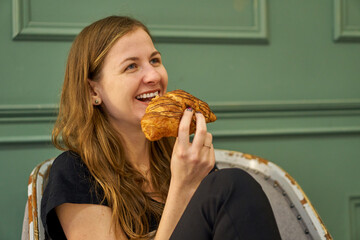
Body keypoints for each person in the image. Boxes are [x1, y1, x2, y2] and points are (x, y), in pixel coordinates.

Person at [41, 16, 281, 240]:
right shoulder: (76, 172)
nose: (153, 75)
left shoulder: (176, 155)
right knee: (232, 185)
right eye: (131, 67)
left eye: (154, 60)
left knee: (232, 185)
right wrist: (183, 186)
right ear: (94, 91)